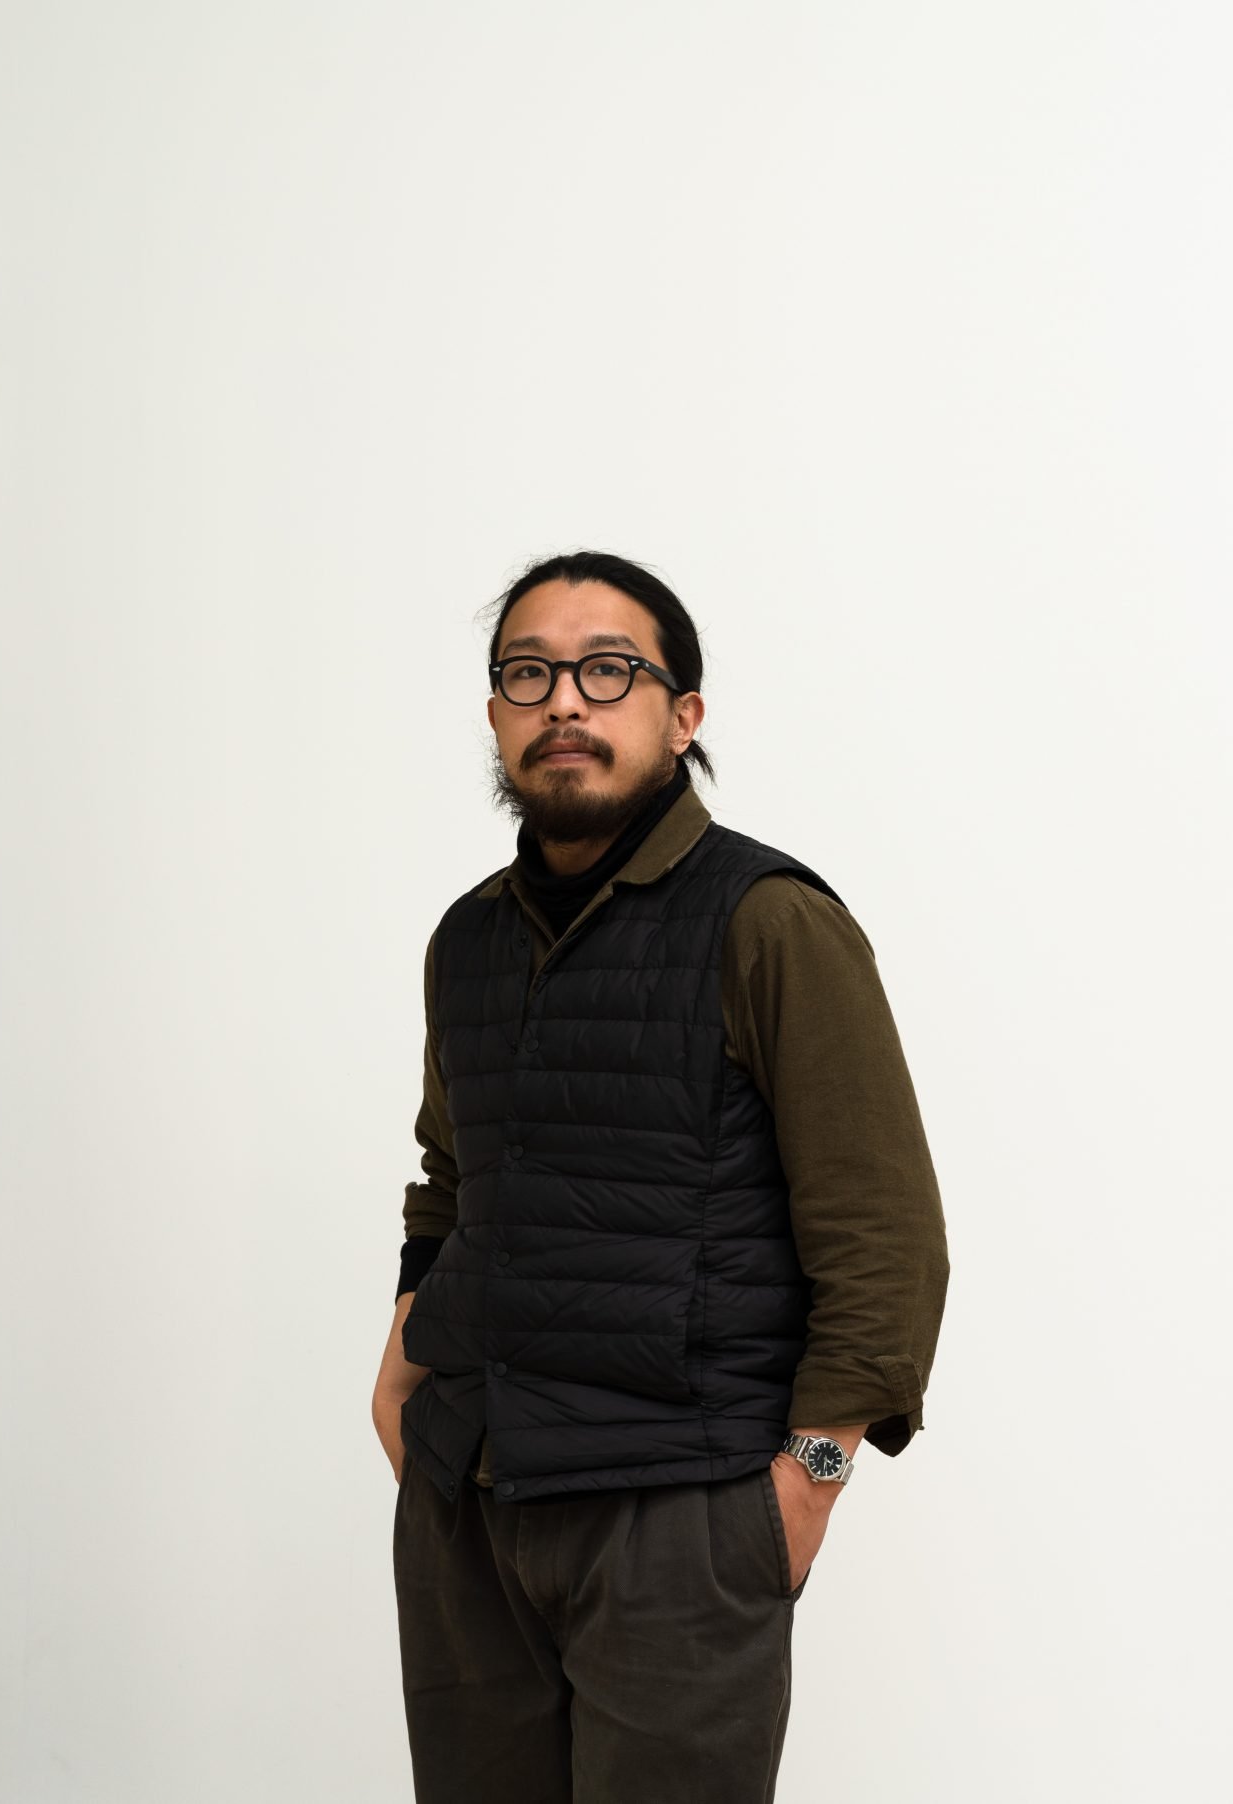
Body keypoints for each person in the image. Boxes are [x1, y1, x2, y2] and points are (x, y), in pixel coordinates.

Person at [372, 549, 950, 1801]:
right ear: (493, 715)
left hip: (681, 1518)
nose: (563, 702)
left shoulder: (769, 920)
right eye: (527, 674)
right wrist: (403, 1363)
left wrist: (809, 1480)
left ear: (681, 715)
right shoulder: (467, 938)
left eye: (606, 670)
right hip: (472, 1498)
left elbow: (883, 1231)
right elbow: (450, 1173)